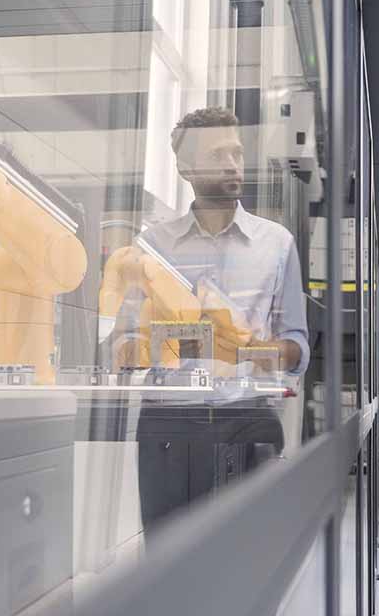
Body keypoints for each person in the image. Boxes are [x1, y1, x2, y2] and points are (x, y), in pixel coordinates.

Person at [110, 106, 310, 536]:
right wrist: (145, 343)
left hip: (248, 415)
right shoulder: (151, 246)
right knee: (168, 560)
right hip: (169, 424)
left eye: (236, 152)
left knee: (249, 564)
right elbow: (123, 342)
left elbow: (297, 346)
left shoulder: (276, 244)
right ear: (186, 167)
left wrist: (247, 347)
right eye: (219, 154)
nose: (233, 163)